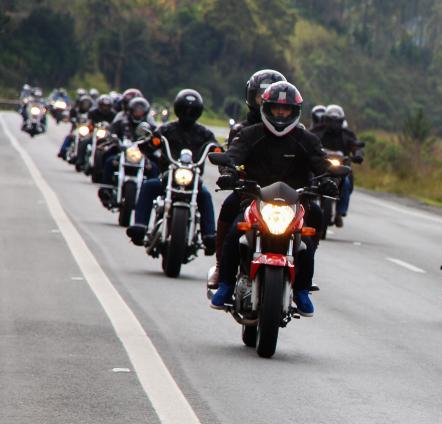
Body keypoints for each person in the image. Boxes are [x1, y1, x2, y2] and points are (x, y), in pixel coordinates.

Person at [210, 81, 330, 316]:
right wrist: (229, 172)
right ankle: (225, 284)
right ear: (266, 108)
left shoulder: (306, 139)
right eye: (276, 109)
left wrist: (328, 180)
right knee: (236, 232)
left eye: (285, 110)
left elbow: (321, 164)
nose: (281, 114)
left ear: (295, 112)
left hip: (295, 202)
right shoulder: (250, 134)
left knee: (308, 235)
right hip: (254, 198)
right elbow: (234, 155)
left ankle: (302, 289)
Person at [209, 68, 287, 289]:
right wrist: (229, 174)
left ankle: (301, 276)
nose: (265, 100)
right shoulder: (242, 130)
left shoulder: (295, 131)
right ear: (252, 97)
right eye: (260, 96)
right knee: (229, 210)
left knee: (315, 216)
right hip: (250, 192)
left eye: (270, 96)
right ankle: (221, 269)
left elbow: (308, 161)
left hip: (286, 196)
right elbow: (230, 157)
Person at [126, 89, 218, 253]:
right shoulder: (167, 129)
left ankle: (209, 236)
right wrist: (151, 142)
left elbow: (215, 146)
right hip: (168, 177)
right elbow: (150, 142)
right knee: (148, 186)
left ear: (198, 112)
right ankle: (140, 226)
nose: (188, 113)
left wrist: (219, 151)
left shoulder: (204, 133)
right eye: (184, 109)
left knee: (205, 195)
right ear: (178, 109)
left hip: (193, 179)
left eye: (192, 110)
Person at [310, 104, 364, 226]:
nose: (333, 124)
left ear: (341, 121)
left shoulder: (347, 134)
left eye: (336, 121)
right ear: (325, 119)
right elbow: (307, 141)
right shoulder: (317, 131)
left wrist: (358, 154)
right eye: (330, 120)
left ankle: (340, 213)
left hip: (341, 167)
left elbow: (355, 145)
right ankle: (306, 206)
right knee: (309, 180)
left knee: (346, 183)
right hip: (321, 166)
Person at [58, 94, 93, 159]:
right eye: (84, 103)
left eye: (87, 104)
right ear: (81, 104)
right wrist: (69, 119)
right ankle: (62, 151)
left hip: (87, 130)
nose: (86, 105)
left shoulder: (92, 113)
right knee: (69, 137)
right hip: (76, 128)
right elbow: (69, 117)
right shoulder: (75, 110)